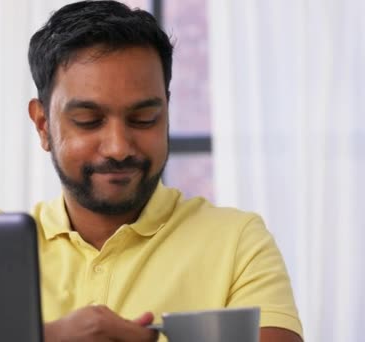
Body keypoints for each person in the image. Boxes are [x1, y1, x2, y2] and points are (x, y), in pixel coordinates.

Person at [21, 1, 302, 341]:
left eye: (143, 119)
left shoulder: (237, 241)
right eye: (89, 121)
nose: (118, 147)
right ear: (42, 125)